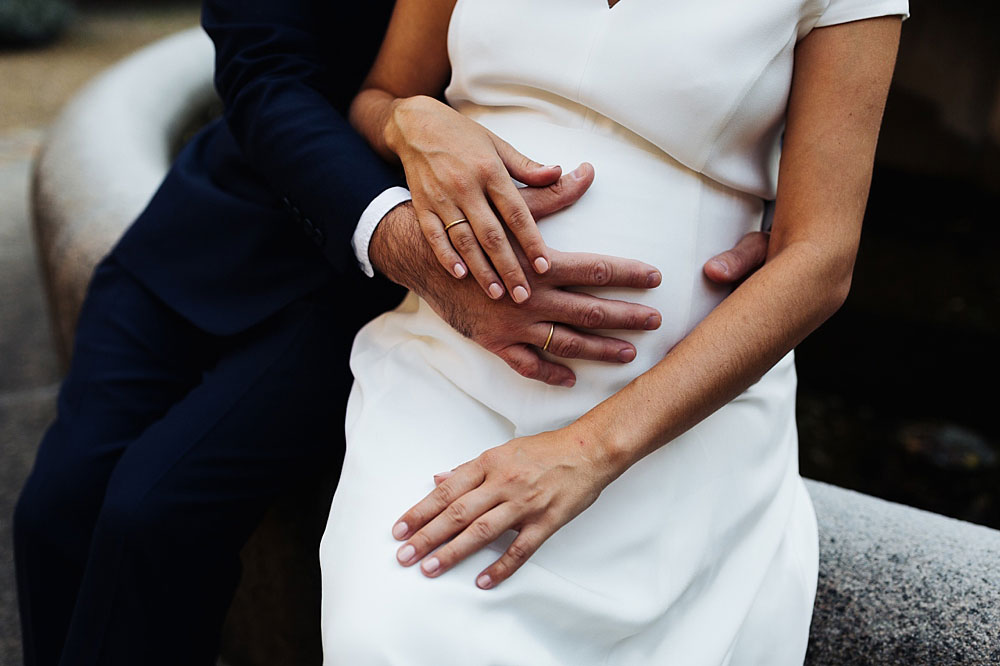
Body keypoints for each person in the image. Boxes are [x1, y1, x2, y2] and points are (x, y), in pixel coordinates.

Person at [11, 1, 766, 664]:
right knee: (54, 513)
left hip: (365, 306)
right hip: (241, 217)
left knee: (153, 515)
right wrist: (400, 211)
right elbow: (265, 71)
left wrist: (757, 200)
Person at [319, 0, 907, 663]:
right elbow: (380, 94)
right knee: (386, 634)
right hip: (447, 375)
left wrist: (588, 452)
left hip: (668, 433)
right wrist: (409, 119)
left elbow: (821, 257)